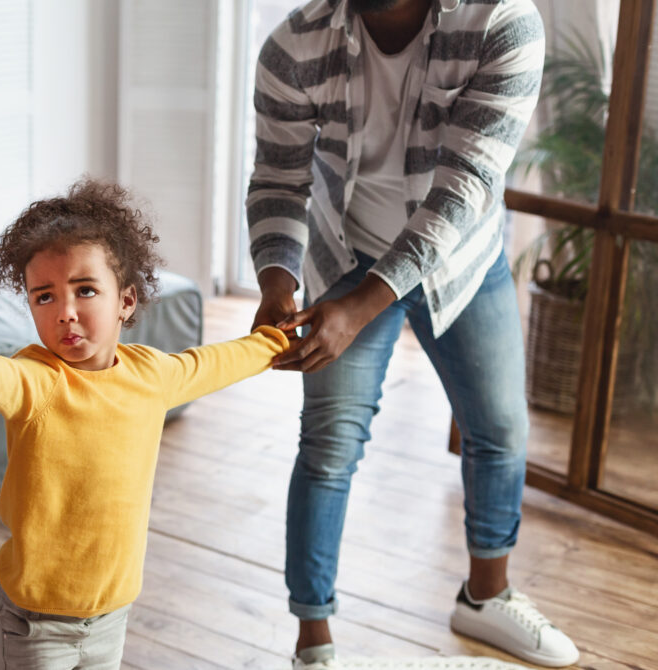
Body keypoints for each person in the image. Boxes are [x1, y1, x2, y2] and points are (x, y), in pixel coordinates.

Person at [247, 0, 580, 667]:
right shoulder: (291, 46)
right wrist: (278, 284)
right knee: (328, 449)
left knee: (500, 429)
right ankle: (313, 642)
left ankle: (485, 600)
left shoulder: (502, 23)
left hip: (460, 258)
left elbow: (466, 189)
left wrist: (363, 307)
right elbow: (280, 179)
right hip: (345, 253)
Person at [0, 179, 290, 669]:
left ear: (126, 300)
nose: (66, 314)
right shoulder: (35, 380)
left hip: (112, 615)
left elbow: (216, 362)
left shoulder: (152, 376)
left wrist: (276, 341)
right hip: (35, 625)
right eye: (44, 297)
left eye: (86, 290)